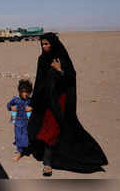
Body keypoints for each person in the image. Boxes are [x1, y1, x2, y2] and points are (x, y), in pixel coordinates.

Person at [27, 32, 108, 176]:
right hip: (45, 101)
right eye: (42, 44)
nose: (44, 47)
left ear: (53, 44)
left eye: (47, 44)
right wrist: (34, 101)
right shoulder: (42, 59)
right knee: (41, 127)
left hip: (59, 102)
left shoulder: (62, 58)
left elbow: (70, 78)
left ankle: (48, 163)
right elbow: (39, 80)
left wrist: (59, 70)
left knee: (54, 129)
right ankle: (46, 156)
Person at [7, 79, 33, 162]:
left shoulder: (31, 101)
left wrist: (31, 108)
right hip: (17, 122)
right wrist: (11, 108)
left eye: (27, 92)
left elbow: (37, 108)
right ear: (19, 92)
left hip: (27, 123)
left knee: (26, 137)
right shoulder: (15, 100)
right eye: (23, 92)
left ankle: (26, 149)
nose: (25, 94)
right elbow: (8, 105)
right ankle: (19, 152)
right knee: (18, 137)